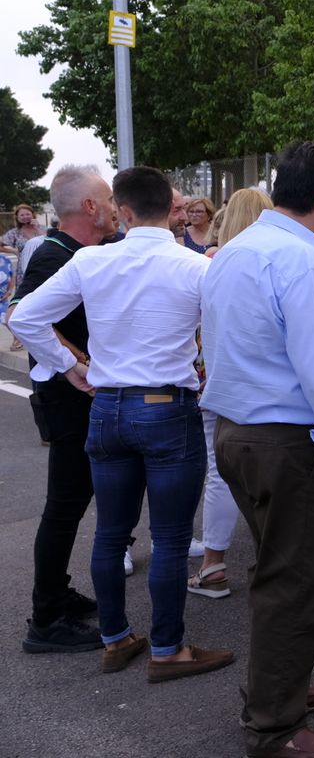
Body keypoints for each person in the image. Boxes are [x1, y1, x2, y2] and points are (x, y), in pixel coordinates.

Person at [11, 165, 233, 683]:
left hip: (107, 407)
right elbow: (231, 331)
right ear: (169, 210)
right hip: (167, 407)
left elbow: (22, 317)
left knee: (110, 533)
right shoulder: (196, 266)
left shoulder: (92, 261)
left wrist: (71, 367)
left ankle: (115, 640)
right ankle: (167, 647)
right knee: (172, 537)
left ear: (126, 211)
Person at [202, 142, 314, 758]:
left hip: (238, 435)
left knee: (279, 571)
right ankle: (275, 727)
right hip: (292, 442)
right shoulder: (302, 262)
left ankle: (278, 689)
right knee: (298, 583)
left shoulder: (236, 250)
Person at [11, 166, 118, 655]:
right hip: (69, 400)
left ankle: (57, 594)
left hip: (83, 398)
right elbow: (25, 315)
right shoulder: (53, 254)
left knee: (73, 506)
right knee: (63, 507)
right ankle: (47, 617)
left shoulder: (83, 252)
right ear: (90, 207)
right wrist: (76, 362)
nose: (117, 206)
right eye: (109, 198)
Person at [187, 187, 273, 597]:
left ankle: (213, 563)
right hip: (261, 381)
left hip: (212, 376)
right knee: (266, 470)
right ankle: (266, 554)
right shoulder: (273, 259)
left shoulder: (210, 261)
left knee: (219, 469)